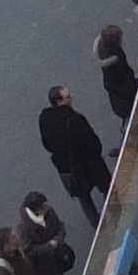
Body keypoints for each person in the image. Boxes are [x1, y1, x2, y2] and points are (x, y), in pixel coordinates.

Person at [38, 85, 113, 218]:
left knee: (84, 197)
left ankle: (95, 222)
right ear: (59, 101)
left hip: (67, 167)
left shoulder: (44, 120)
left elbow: (47, 145)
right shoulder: (75, 119)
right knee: (105, 186)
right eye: (67, 97)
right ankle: (113, 211)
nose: (70, 99)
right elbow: (94, 144)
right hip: (89, 163)